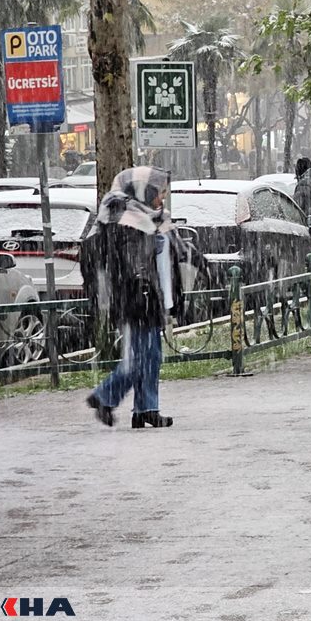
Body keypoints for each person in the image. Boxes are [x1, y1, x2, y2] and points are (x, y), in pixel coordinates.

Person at [82, 167, 198, 429]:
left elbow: (178, 251)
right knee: (139, 359)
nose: (162, 199)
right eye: (159, 194)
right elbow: (128, 267)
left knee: (151, 357)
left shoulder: (156, 218)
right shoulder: (124, 220)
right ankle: (105, 397)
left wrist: (203, 264)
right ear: (144, 192)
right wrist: (138, 289)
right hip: (136, 300)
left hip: (153, 298)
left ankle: (146, 409)